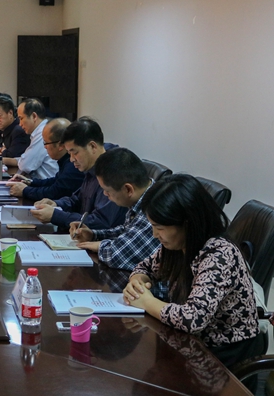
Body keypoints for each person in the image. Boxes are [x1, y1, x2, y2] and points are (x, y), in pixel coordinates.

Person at [124, 174, 266, 379]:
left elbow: (193, 319)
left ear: (187, 224)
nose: (155, 235)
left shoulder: (219, 254)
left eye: (160, 228)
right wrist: (137, 282)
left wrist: (147, 302)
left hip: (225, 354)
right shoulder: (177, 245)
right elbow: (145, 267)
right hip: (192, 345)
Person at [72, 148, 160, 271]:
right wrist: (94, 235)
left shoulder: (156, 207)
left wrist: (100, 245)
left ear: (128, 189)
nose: (105, 194)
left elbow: (118, 256)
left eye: (107, 191)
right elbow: (127, 231)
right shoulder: (143, 196)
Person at [31, 117, 126, 230]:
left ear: (92, 146)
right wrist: (56, 204)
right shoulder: (91, 167)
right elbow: (78, 199)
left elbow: (100, 222)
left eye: (75, 153)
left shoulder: (113, 171)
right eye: (69, 154)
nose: (71, 159)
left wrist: (56, 215)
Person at [6, 118, 84, 201]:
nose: (44, 147)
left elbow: (55, 192)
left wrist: (25, 191)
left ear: (60, 145)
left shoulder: (74, 164)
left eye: (46, 143)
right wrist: (30, 182)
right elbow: (55, 181)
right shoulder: (65, 160)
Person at [0, 98, 57, 179]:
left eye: (21, 118)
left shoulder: (43, 133)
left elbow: (25, 165)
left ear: (34, 116)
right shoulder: (38, 131)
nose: (20, 124)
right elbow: (24, 160)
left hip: (45, 182)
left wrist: (21, 160)